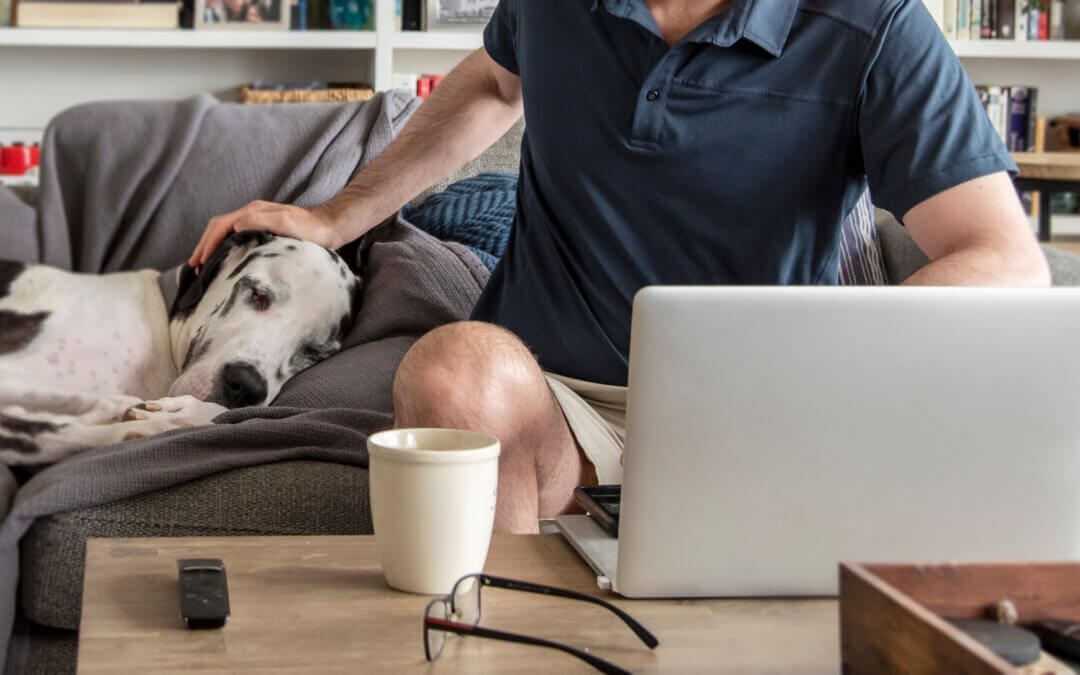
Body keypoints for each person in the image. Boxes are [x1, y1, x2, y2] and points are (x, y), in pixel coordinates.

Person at [189, 0, 1050, 534]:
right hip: (552, 404)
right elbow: (494, 84)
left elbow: (1005, 261)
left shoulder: (876, 26)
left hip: (756, 413)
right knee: (452, 368)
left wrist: (817, 367)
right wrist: (334, 217)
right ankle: (506, 629)